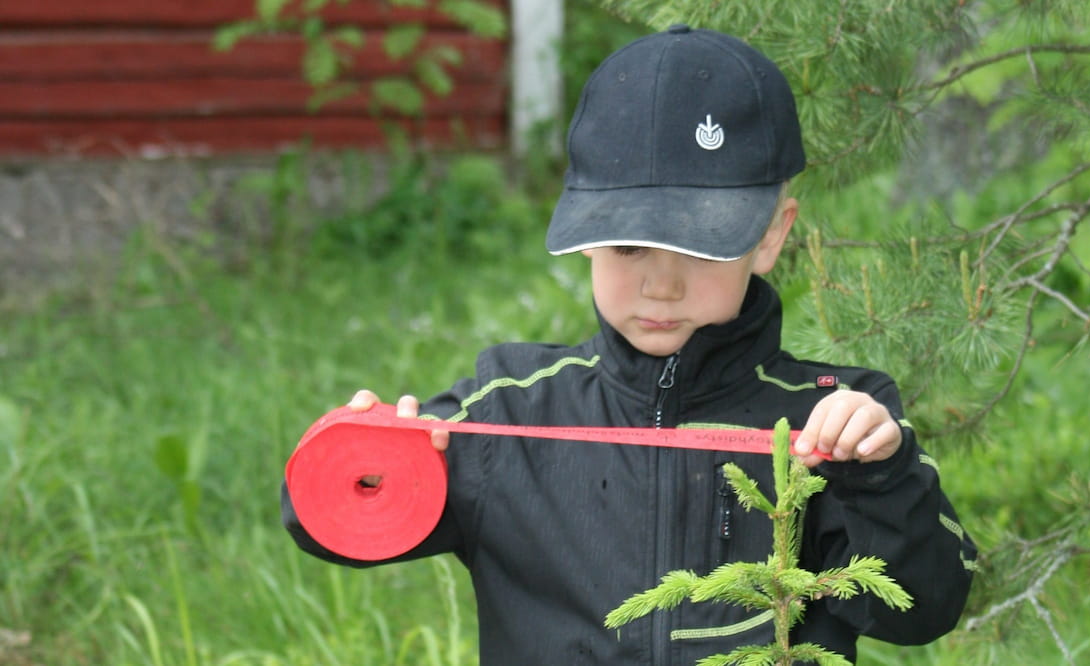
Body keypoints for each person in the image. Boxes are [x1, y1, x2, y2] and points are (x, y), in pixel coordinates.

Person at [282, 24, 976, 663]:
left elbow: (927, 609)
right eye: (628, 245)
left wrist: (882, 477)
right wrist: (362, 455)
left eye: (700, 250)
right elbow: (330, 526)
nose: (661, 286)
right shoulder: (511, 411)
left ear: (770, 235)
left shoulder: (833, 420)